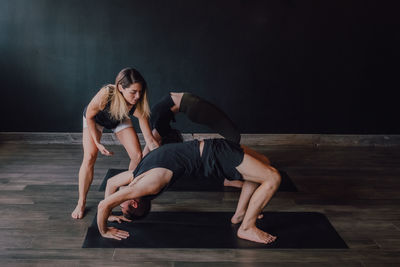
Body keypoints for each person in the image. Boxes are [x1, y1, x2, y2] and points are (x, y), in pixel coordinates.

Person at [97, 138, 281, 244]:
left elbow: (110, 185)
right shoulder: (145, 185)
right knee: (273, 177)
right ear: (134, 202)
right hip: (213, 156)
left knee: (264, 163)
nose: (118, 201)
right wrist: (105, 228)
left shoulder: (137, 176)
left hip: (214, 147)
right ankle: (247, 227)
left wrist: (108, 219)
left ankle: (240, 215)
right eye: (123, 206)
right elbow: (104, 203)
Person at [71, 67, 160, 219]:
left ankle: (125, 192)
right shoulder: (107, 93)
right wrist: (97, 143)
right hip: (95, 119)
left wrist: (162, 157)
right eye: (133, 92)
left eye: (140, 91)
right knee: (90, 156)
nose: (137, 96)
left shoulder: (138, 103)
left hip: (119, 118)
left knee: (137, 155)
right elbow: (90, 115)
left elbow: (150, 141)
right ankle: (81, 202)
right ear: (120, 88)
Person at [143, 92, 243, 188]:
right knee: (233, 138)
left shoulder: (158, 129)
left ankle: (235, 170)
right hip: (189, 101)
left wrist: (138, 173)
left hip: (192, 105)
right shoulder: (157, 123)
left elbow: (149, 151)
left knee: (234, 138)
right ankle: (233, 171)